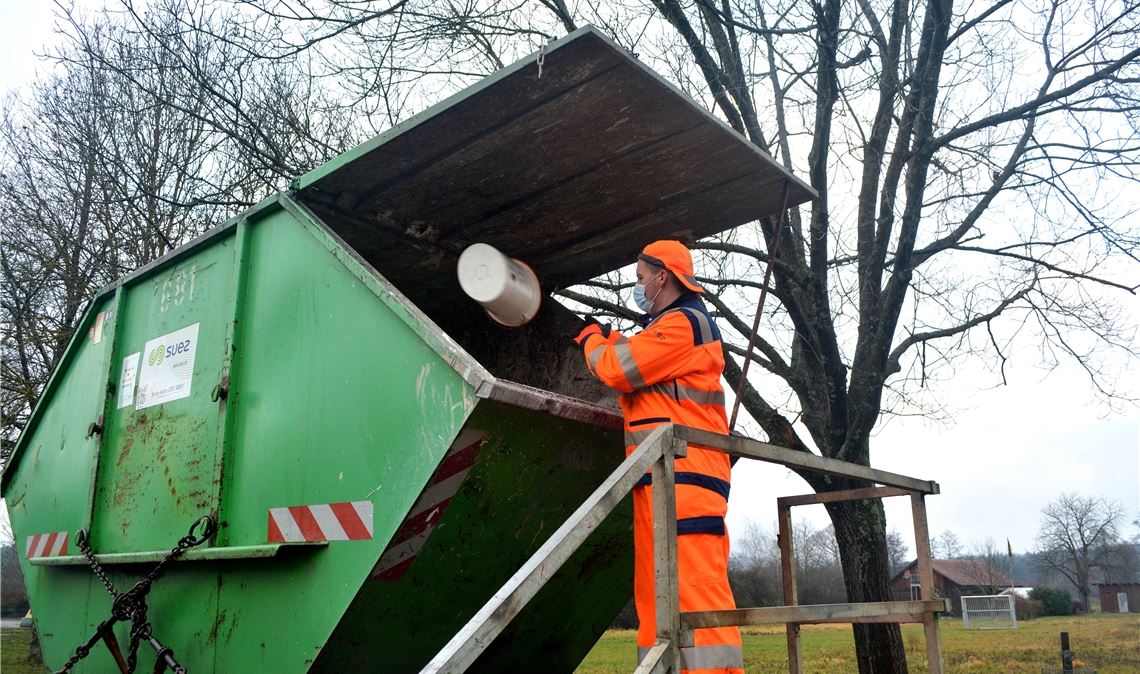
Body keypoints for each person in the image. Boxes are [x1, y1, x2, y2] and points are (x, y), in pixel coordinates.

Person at [573, 240, 743, 673]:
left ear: (662, 277)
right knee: (657, 595)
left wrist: (592, 340)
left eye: (640, 278)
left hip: (687, 477)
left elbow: (618, 369)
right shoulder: (670, 328)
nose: (638, 285)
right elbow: (640, 359)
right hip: (665, 477)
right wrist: (613, 339)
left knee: (695, 591)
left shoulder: (686, 323)